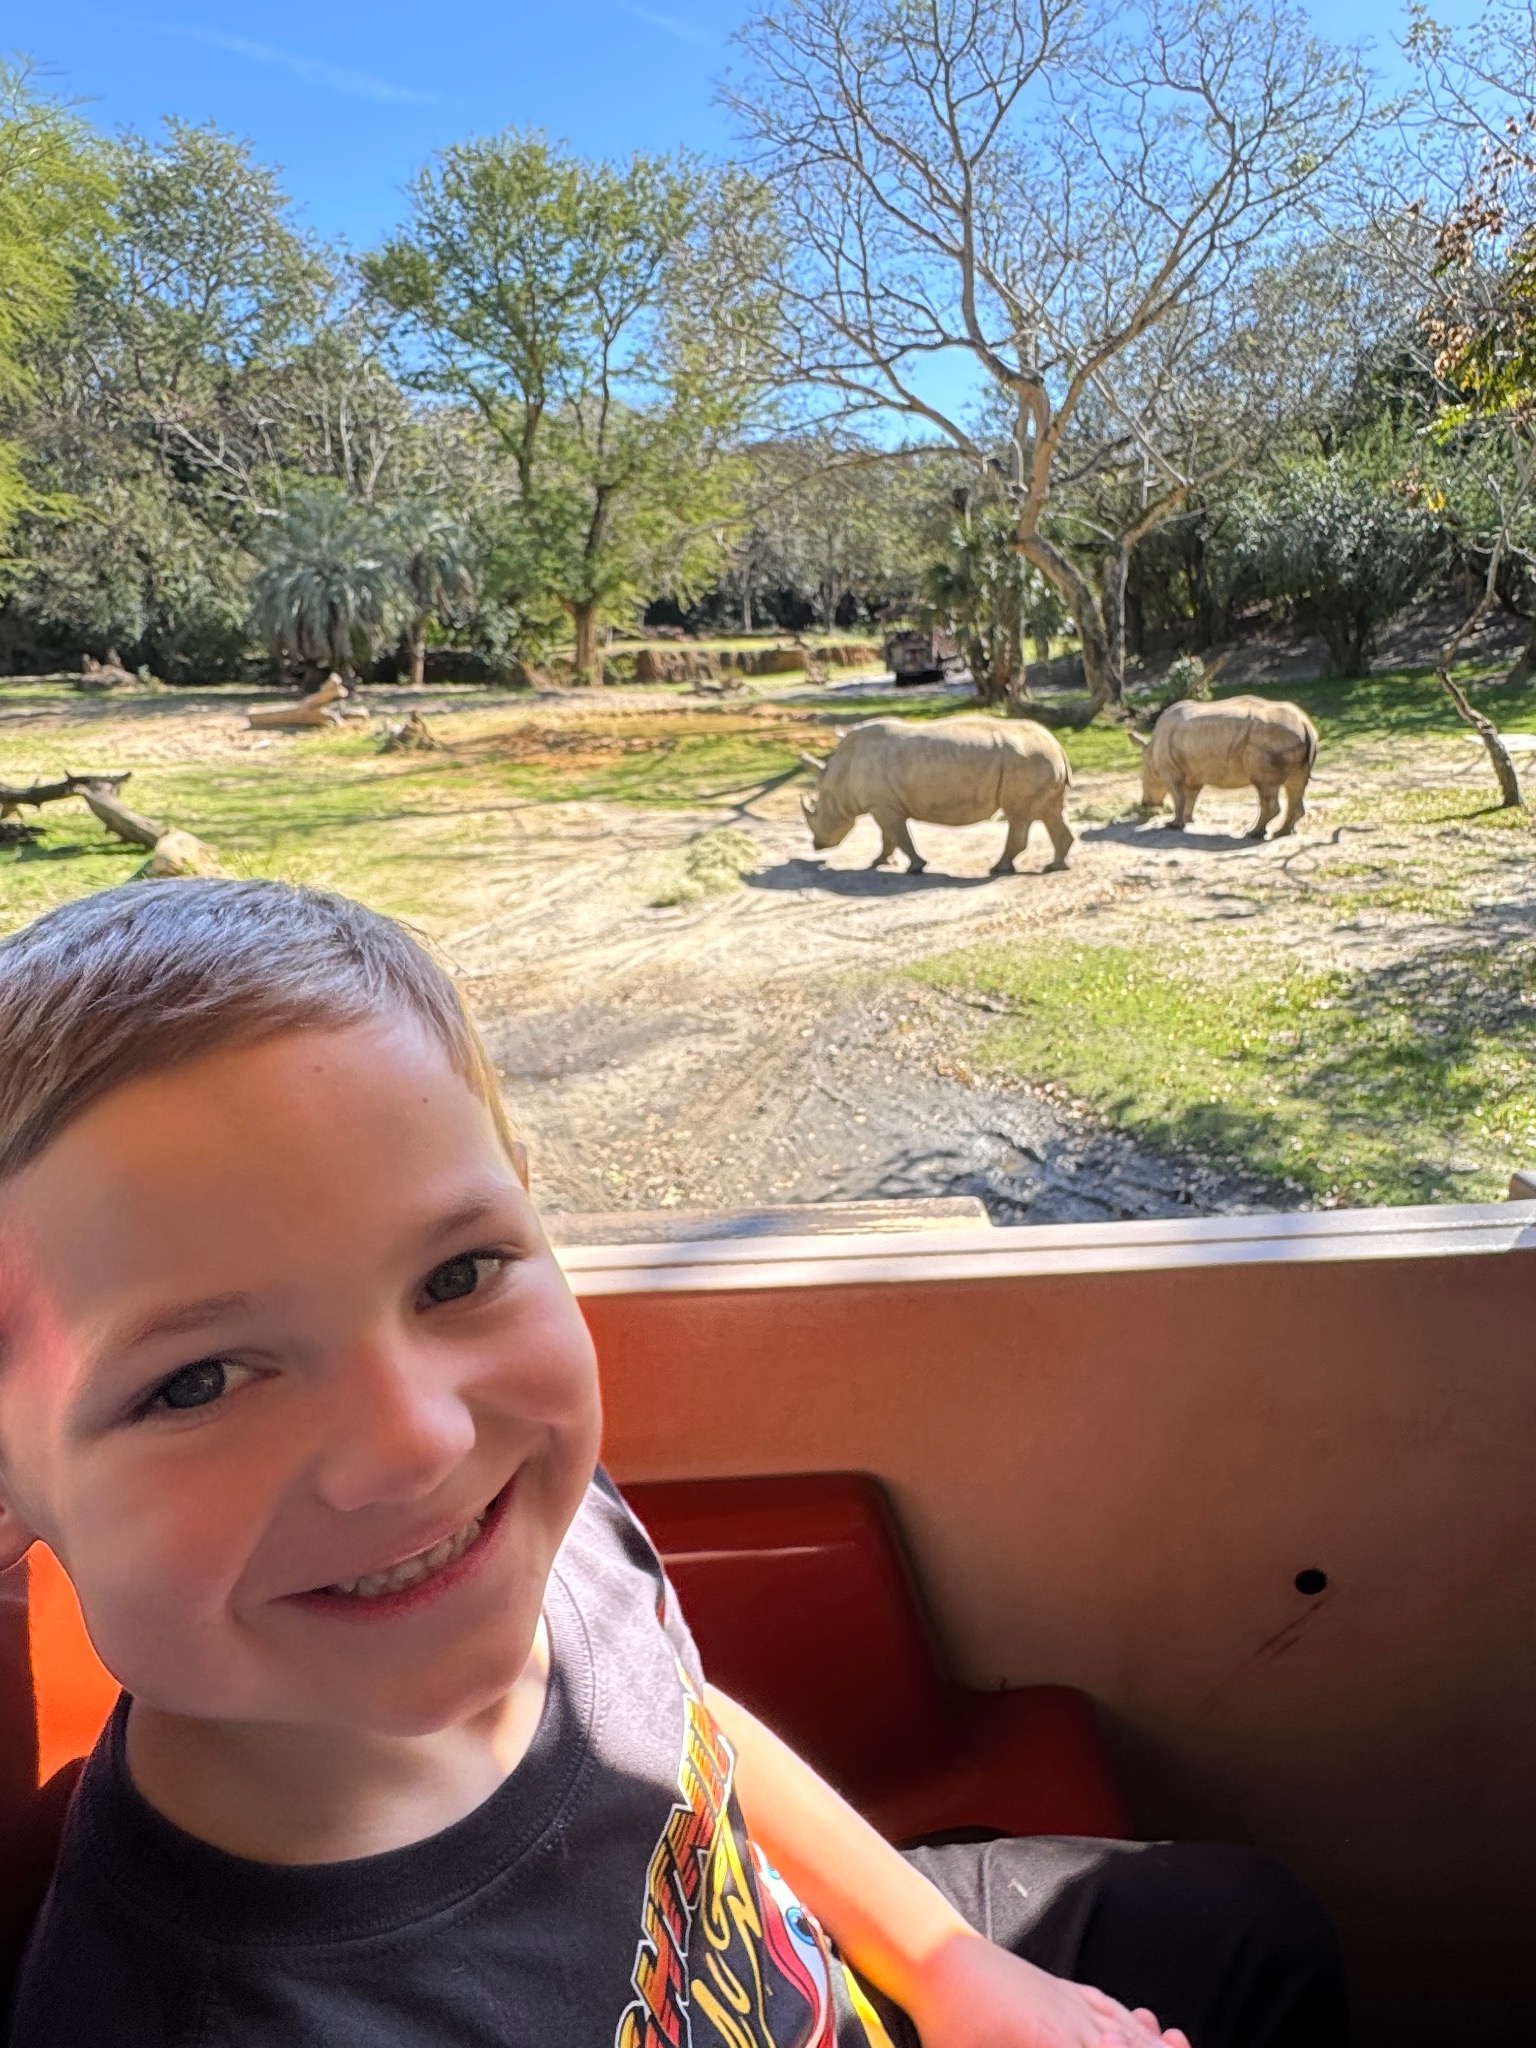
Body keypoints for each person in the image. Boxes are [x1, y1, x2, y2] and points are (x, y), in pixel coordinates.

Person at [0, 881, 1347, 2048]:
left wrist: (948, 1966)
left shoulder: (521, 1529)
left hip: (794, 1963)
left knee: (1249, 1930)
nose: (420, 1443)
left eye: (458, 1274)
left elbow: (684, 1732)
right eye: (196, 1380)